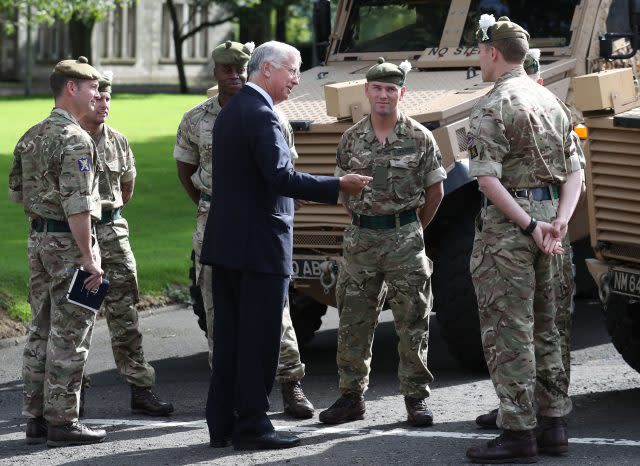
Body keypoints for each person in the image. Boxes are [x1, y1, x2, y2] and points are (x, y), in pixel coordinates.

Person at [200, 40, 371, 451]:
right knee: (259, 341)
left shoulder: (232, 111)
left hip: (227, 245)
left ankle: (222, 423)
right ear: (268, 70)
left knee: (229, 340)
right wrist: (339, 185)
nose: (297, 79)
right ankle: (254, 427)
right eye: (292, 70)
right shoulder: (261, 114)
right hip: (259, 248)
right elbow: (281, 178)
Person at [174, 40, 314, 419]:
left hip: (245, 224)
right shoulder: (200, 117)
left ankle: (287, 383)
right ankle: (237, 404)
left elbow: (281, 174)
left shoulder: (271, 115)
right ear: (216, 73)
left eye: (239, 69)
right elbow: (186, 169)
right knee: (221, 316)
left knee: (274, 317)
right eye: (227, 70)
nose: (233, 76)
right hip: (221, 224)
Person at [465, 16, 583, 463]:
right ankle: (554, 425)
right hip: (554, 222)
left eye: (480, 52)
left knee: (510, 330)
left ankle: (518, 432)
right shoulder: (551, 100)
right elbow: (576, 173)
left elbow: (487, 182)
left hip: (510, 233)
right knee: (549, 325)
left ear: (493, 52)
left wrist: (529, 227)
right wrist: (558, 222)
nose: (479, 59)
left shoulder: (492, 105)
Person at [318, 58, 446, 427]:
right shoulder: (351, 138)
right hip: (361, 239)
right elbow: (343, 189)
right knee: (354, 319)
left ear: (402, 92)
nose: (384, 95)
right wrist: (364, 220)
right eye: (378, 88)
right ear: (367, 92)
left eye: (392, 88)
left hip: (405, 237)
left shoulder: (420, 137)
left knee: (413, 320)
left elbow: (435, 191)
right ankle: (351, 397)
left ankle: (416, 399)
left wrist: (411, 227)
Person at [8, 56, 108, 447]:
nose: (97, 94)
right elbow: (79, 204)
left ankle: (35, 418)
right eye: (92, 88)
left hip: (38, 240)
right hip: (69, 244)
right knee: (71, 332)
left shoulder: (30, 135)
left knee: (41, 329)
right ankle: (63, 421)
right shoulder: (76, 139)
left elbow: (19, 192)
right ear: (72, 88)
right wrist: (88, 256)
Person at [79, 73, 174, 417]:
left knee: (125, 316)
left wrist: (110, 215)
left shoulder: (118, 140)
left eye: (108, 99)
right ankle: (73, 397)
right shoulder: (68, 140)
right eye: (97, 99)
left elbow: (127, 188)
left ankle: (141, 390)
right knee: (78, 318)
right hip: (79, 240)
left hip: (114, 234)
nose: (104, 105)